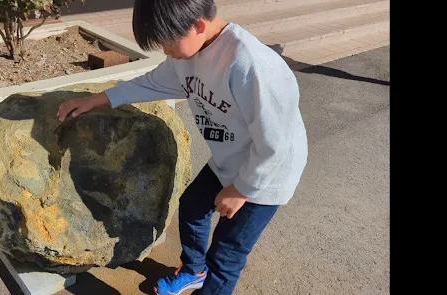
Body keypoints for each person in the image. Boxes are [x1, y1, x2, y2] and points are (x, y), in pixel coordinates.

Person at [56, 0, 308, 294]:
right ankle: (193, 270)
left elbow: (276, 142)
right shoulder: (187, 54)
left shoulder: (252, 65)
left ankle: (209, 281)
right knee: (192, 207)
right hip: (230, 158)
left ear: (199, 25)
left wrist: (241, 190)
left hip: (266, 175)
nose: (166, 51)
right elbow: (150, 83)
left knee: (226, 255)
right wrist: (100, 98)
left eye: (168, 43)